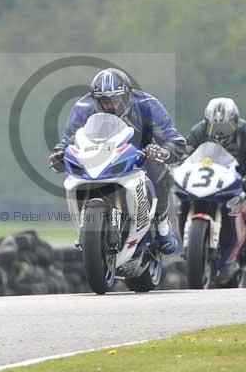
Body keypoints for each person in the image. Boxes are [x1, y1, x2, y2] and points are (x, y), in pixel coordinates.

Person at [48, 68, 186, 254]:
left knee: (159, 170)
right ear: (96, 100)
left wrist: (163, 151)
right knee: (72, 174)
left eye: (116, 99)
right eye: (105, 101)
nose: (111, 105)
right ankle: (84, 225)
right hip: (97, 158)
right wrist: (59, 153)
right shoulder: (83, 107)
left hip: (140, 156)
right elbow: (68, 139)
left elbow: (172, 137)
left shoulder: (147, 105)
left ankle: (161, 224)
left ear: (127, 96)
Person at [184, 98, 246, 264]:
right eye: (214, 127)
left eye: (225, 127)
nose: (219, 132)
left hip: (237, 181)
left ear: (235, 123)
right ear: (206, 124)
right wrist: (176, 169)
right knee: (180, 192)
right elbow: (183, 157)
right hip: (203, 180)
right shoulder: (198, 132)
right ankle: (185, 238)